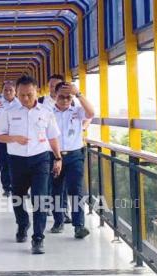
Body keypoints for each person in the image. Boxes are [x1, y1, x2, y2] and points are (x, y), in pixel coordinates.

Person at [0, 75, 62, 254]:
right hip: (17, 161)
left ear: (36, 91)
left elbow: (53, 137)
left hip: (40, 159)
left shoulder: (46, 113)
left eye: (29, 94)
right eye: (22, 95)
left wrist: (58, 158)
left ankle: (38, 238)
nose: (25, 98)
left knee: (40, 198)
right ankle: (22, 224)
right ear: (17, 93)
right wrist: (14, 138)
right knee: (18, 196)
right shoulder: (9, 112)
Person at [50, 82, 94, 239]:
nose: (64, 100)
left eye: (68, 97)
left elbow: (91, 113)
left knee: (76, 190)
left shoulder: (77, 111)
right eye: (61, 97)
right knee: (56, 190)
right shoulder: (48, 112)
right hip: (53, 156)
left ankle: (79, 225)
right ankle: (58, 221)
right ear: (55, 96)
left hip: (74, 155)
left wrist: (79, 93)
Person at [39, 75, 72, 223]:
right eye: (51, 86)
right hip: (45, 149)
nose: (54, 88)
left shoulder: (69, 102)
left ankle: (62, 212)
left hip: (64, 149)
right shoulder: (41, 102)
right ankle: (47, 207)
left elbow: (87, 115)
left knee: (61, 185)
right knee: (47, 182)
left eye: (57, 86)